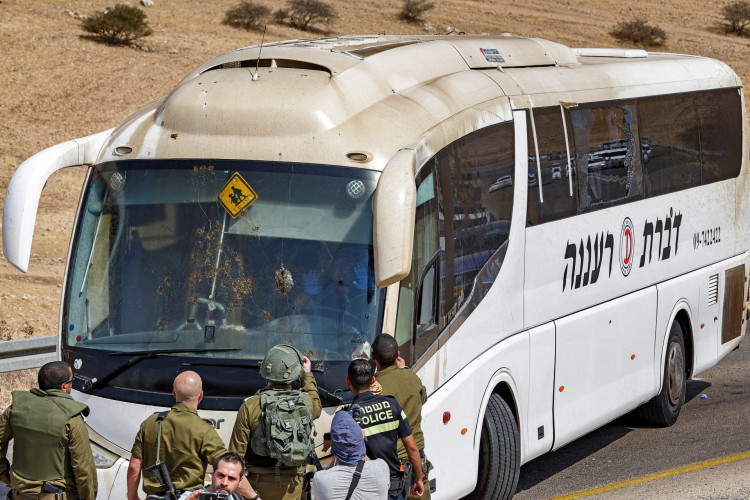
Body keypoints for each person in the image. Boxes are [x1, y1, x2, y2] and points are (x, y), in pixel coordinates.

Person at [229, 344, 322, 500]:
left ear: (265, 371)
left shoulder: (250, 406)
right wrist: (307, 375)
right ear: (296, 373)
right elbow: (316, 405)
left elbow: (234, 457)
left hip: (256, 488)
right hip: (294, 487)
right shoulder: (305, 402)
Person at [128, 371, 237, 499]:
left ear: (174, 393)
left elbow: (134, 466)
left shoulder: (151, 423)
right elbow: (227, 467)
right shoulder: (204, 430)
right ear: (201, 395)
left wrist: (132, 496)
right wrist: (254, 497)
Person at [0, 361, 97, 499]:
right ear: (64, 387)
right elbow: (84, 469)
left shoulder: (15, 409)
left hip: (20, 495)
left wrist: (6, 477)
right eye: (72, 379)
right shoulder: (72, 417)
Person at [346, 359, 424, 500]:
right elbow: (412, 447)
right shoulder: (391, 404)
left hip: (367, 488)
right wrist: (418, 479)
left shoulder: (348, 416)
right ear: (373, 380)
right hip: (395, 487)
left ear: (347, 381)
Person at [371, 334, 431, 500]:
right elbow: (422, 399)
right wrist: (404, 370)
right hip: (416, 464)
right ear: (398, 355)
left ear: (372, 357)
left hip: (388, 467)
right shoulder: (411, 377)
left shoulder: (372, 387)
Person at [311, 411, 389, 500]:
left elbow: (334, 469)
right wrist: (360, 439)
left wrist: (334, 444)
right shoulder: (382, 467)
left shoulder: (320, 479)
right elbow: (363, 459)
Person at [179, 452, 247, 500]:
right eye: (221, 475)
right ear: (212, 474)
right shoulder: (192, 497)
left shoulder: (237, 498)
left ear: (240, 481)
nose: (224, 483)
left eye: (231, 478)